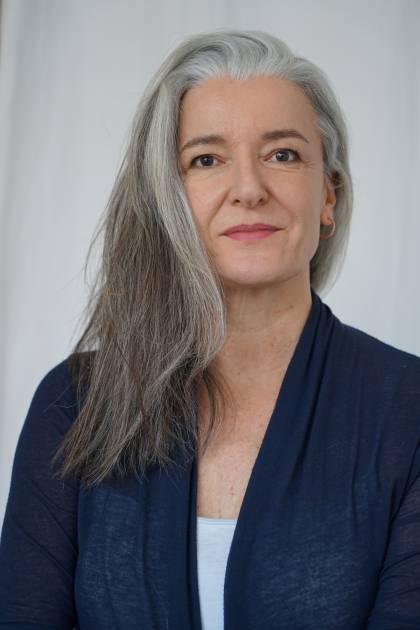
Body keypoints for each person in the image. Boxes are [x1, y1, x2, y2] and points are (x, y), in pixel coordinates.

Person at [1, 28, 420, 630]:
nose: (248, 189)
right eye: (206, 160)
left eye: (283, 154)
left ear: (328, 195)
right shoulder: (74, 405)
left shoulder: (408, 410)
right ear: (166, 198)